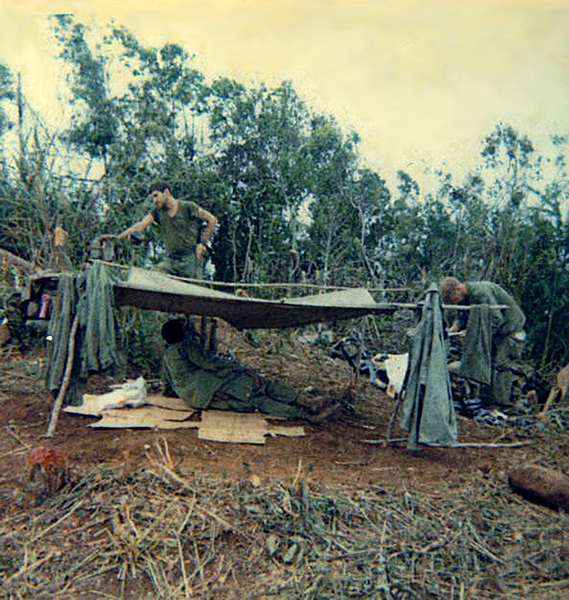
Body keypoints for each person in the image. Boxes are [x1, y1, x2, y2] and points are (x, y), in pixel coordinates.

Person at [159, 319, 339, 423]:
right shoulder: (185, 346)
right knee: (259, 388)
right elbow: (209, 363)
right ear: (182, 333)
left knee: (252, 401)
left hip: (197, 400)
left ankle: (305, 411)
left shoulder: (167, 355)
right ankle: (306, 407)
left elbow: (167, 387)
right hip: (211, 388)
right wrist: (234, 366)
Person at [439, 276, 526, 407]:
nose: (456, 302)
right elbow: (462, 316)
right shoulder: (464, 298)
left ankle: (501, 404)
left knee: (502, 364)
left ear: (458, 289)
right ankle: (485, 400)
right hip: (496, 332)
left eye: (454, 299)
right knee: (486, 361)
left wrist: (474, 333)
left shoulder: (481, 293)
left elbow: (496, 319)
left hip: (510, 330)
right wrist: (454, 328)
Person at [118, 180, 217, 279]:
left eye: (156, 196)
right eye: (153, 197)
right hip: (171, 260)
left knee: (193, 290)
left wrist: (202, 243)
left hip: (190, 259)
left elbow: (212, 220)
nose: (154, 200)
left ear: (166, 192)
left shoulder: (188, 207)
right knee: (153, 278)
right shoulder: (157, 211)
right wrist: (117, 238)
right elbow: (141, 225)